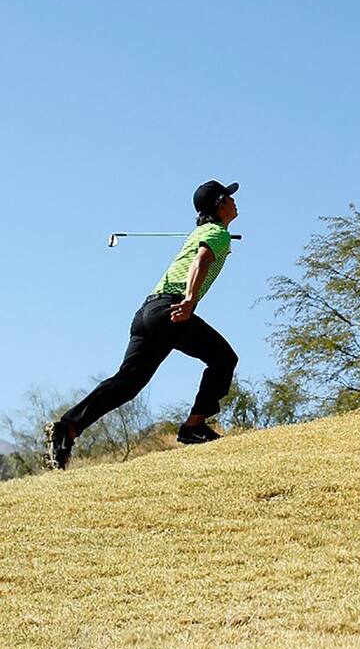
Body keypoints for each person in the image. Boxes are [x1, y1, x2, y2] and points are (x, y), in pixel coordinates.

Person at [43, 180, 241, 470]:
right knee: (224, 359)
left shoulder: (204, 231)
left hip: (148, 311)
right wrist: (189, 300)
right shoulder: (215, 233)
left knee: (127, 383)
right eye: (230, 198)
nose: (235, 202)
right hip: (171, 309)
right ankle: (194, 426)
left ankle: (68, 428)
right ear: (219, 204)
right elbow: (201, 260)